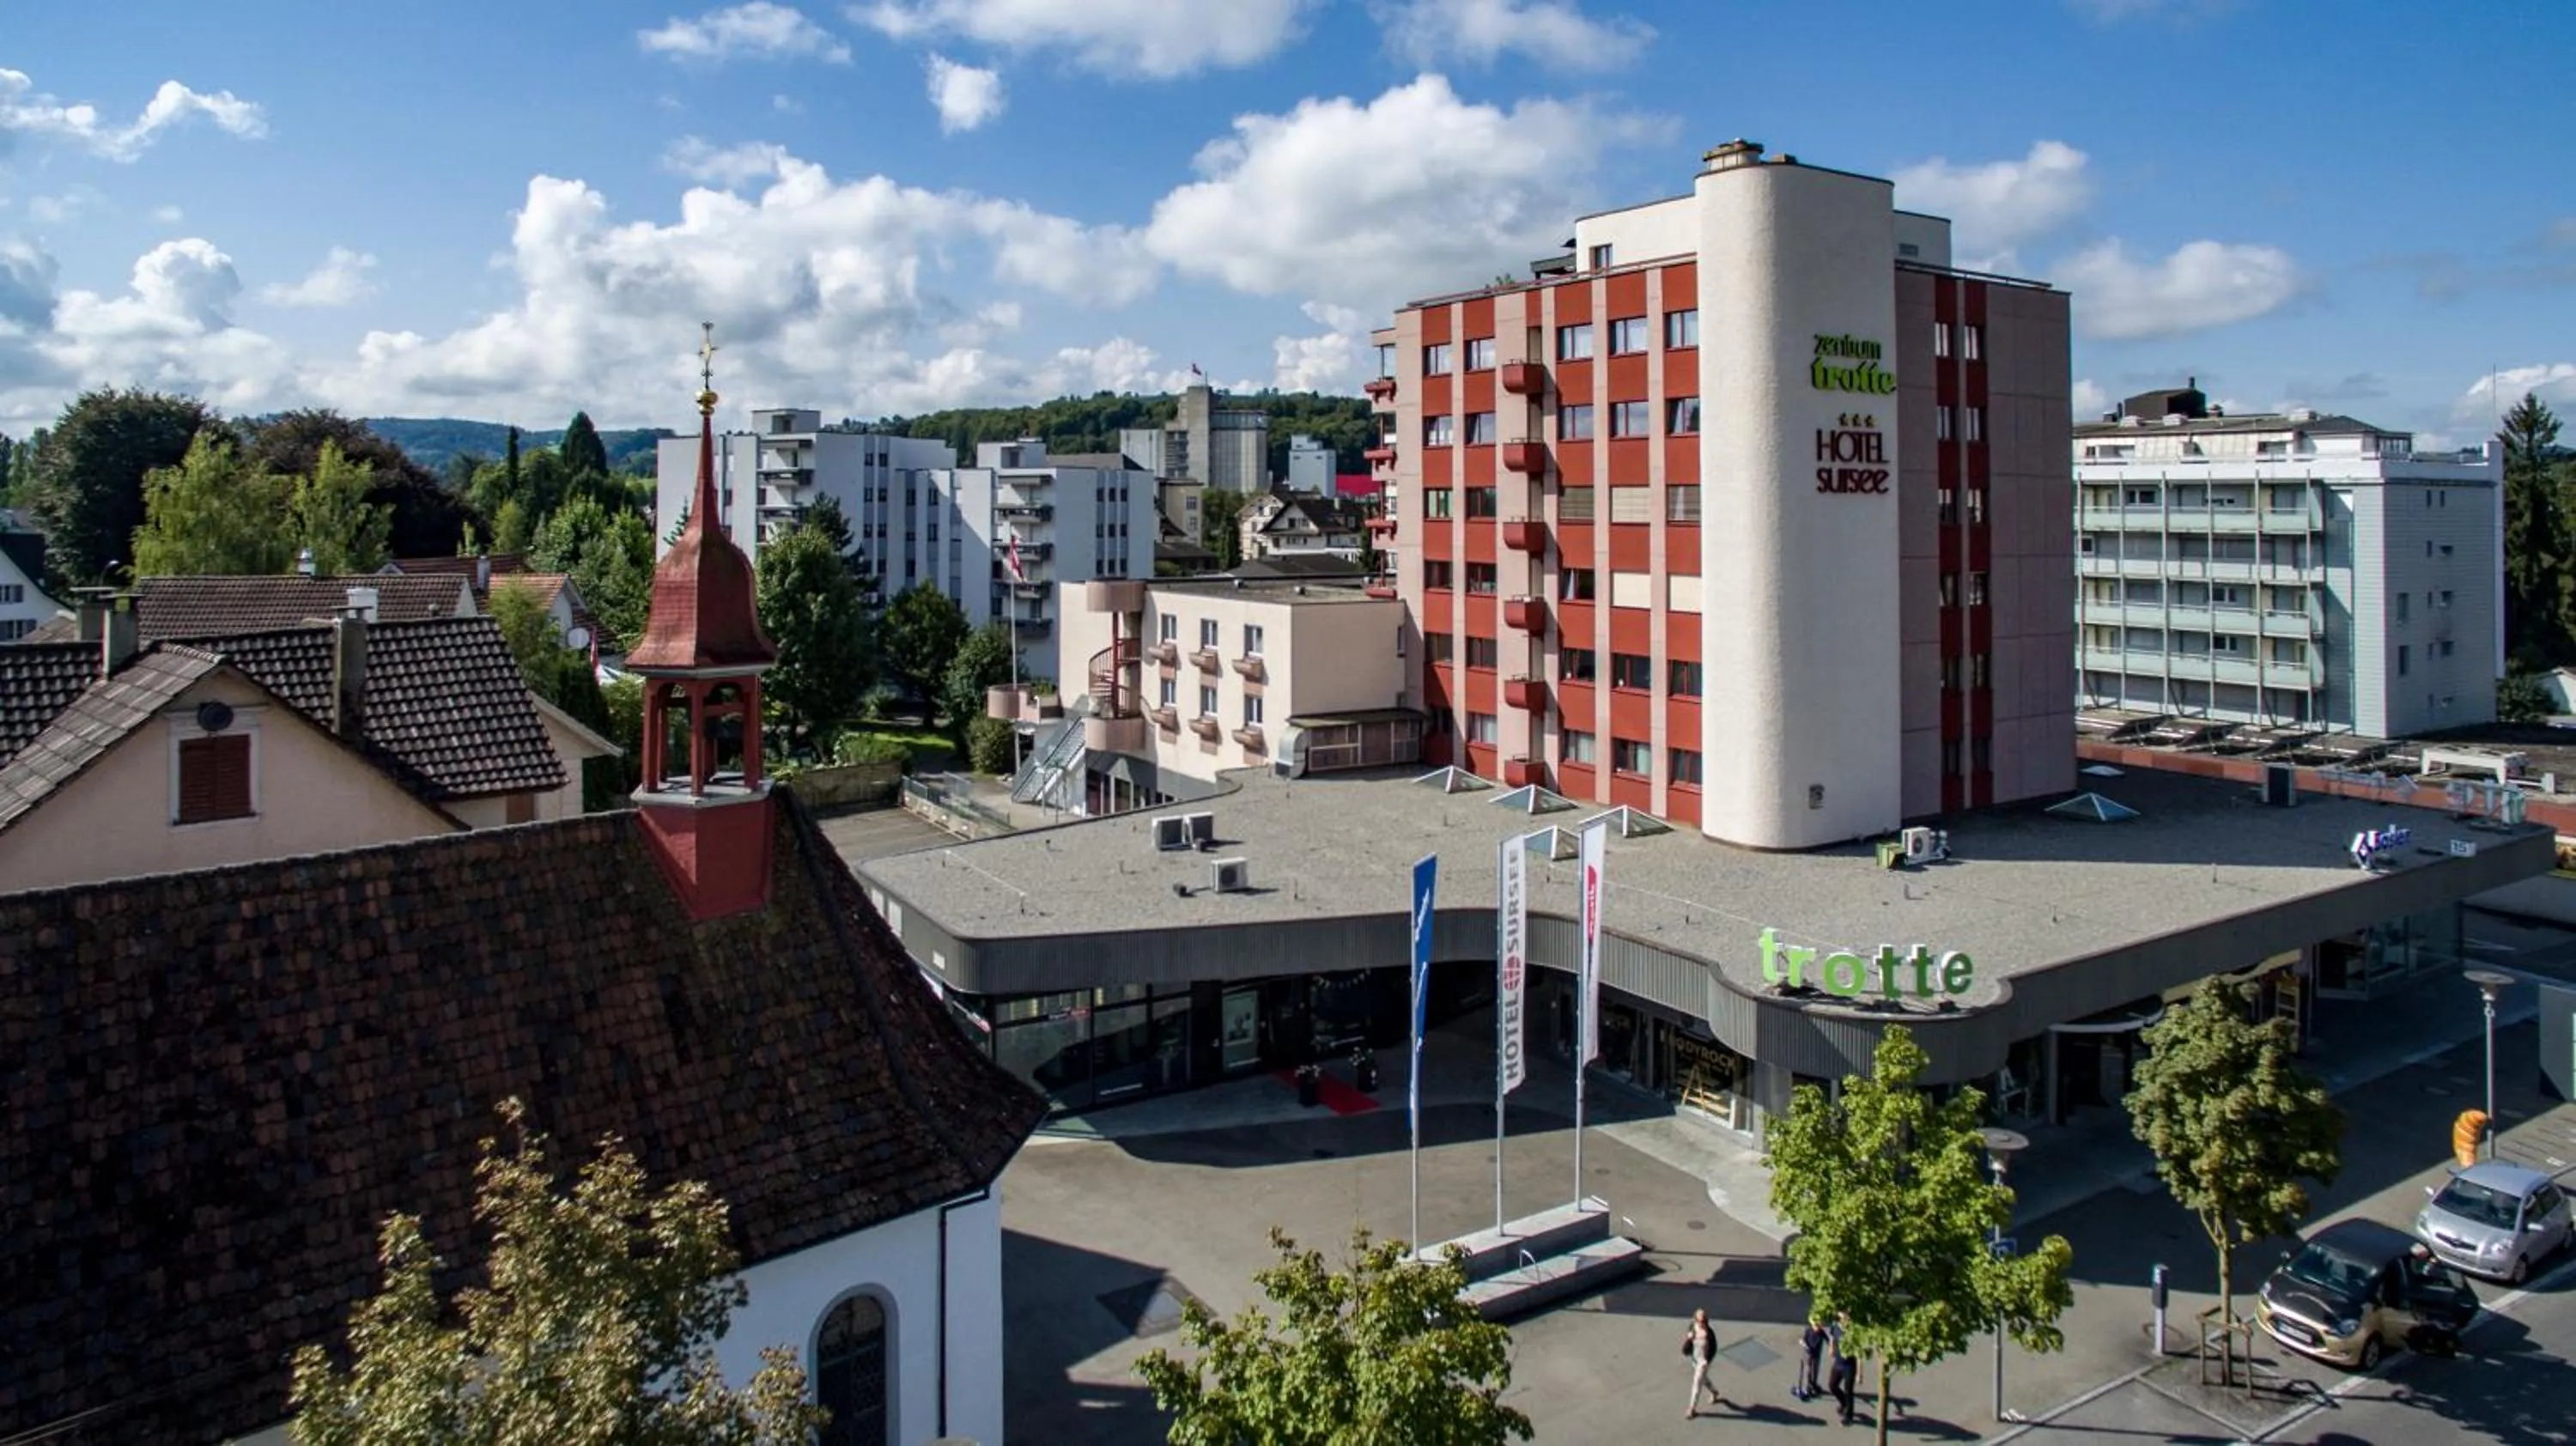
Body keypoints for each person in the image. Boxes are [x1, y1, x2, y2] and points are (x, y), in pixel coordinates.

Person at [1681, 1307, 1722, 1418]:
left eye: (1705, 1321)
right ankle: (1714, 1391)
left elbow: (1714, 1348)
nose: (1704, 1323)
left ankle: (1692, 1408)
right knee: (1703, 1380)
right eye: (1701, 1321)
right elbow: (1685, 1349)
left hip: (1703, 1363)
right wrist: (1689, 1339)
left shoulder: (1709, 1334)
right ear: (1695, 1320)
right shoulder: (1692, 1328)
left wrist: (1707, 1360)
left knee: (1697, 1383)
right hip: (1695, 1359)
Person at [1827, 1314, 1861, 1426]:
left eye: (1847, 1318)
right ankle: (1844, 1403)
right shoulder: (1835, 1326)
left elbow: (1859, 1354)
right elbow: (1832, 1335)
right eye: (1843, 1317)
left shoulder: (1854, 1333)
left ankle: (1849, 1416)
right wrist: (1831, 1347)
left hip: (1849, 1365)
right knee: (1832, 1386)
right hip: (1838, 1362)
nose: (1845, 1320)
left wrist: (1859, 1374)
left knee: (1848, 1391)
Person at [1795, 1314, 1829, 1401]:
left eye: (1819, 1326)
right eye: (1816, 1326)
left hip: (1816, 1356)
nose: (1817, 1328)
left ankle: (1813, 1385)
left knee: (1814, 1372)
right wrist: (1803, 1343)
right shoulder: (1808, 1330)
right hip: (1807, 1354)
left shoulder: (1821, 1332)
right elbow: (1803, 1339)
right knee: (1806, 1372)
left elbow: (1828, 1340)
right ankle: (1805, 1388)